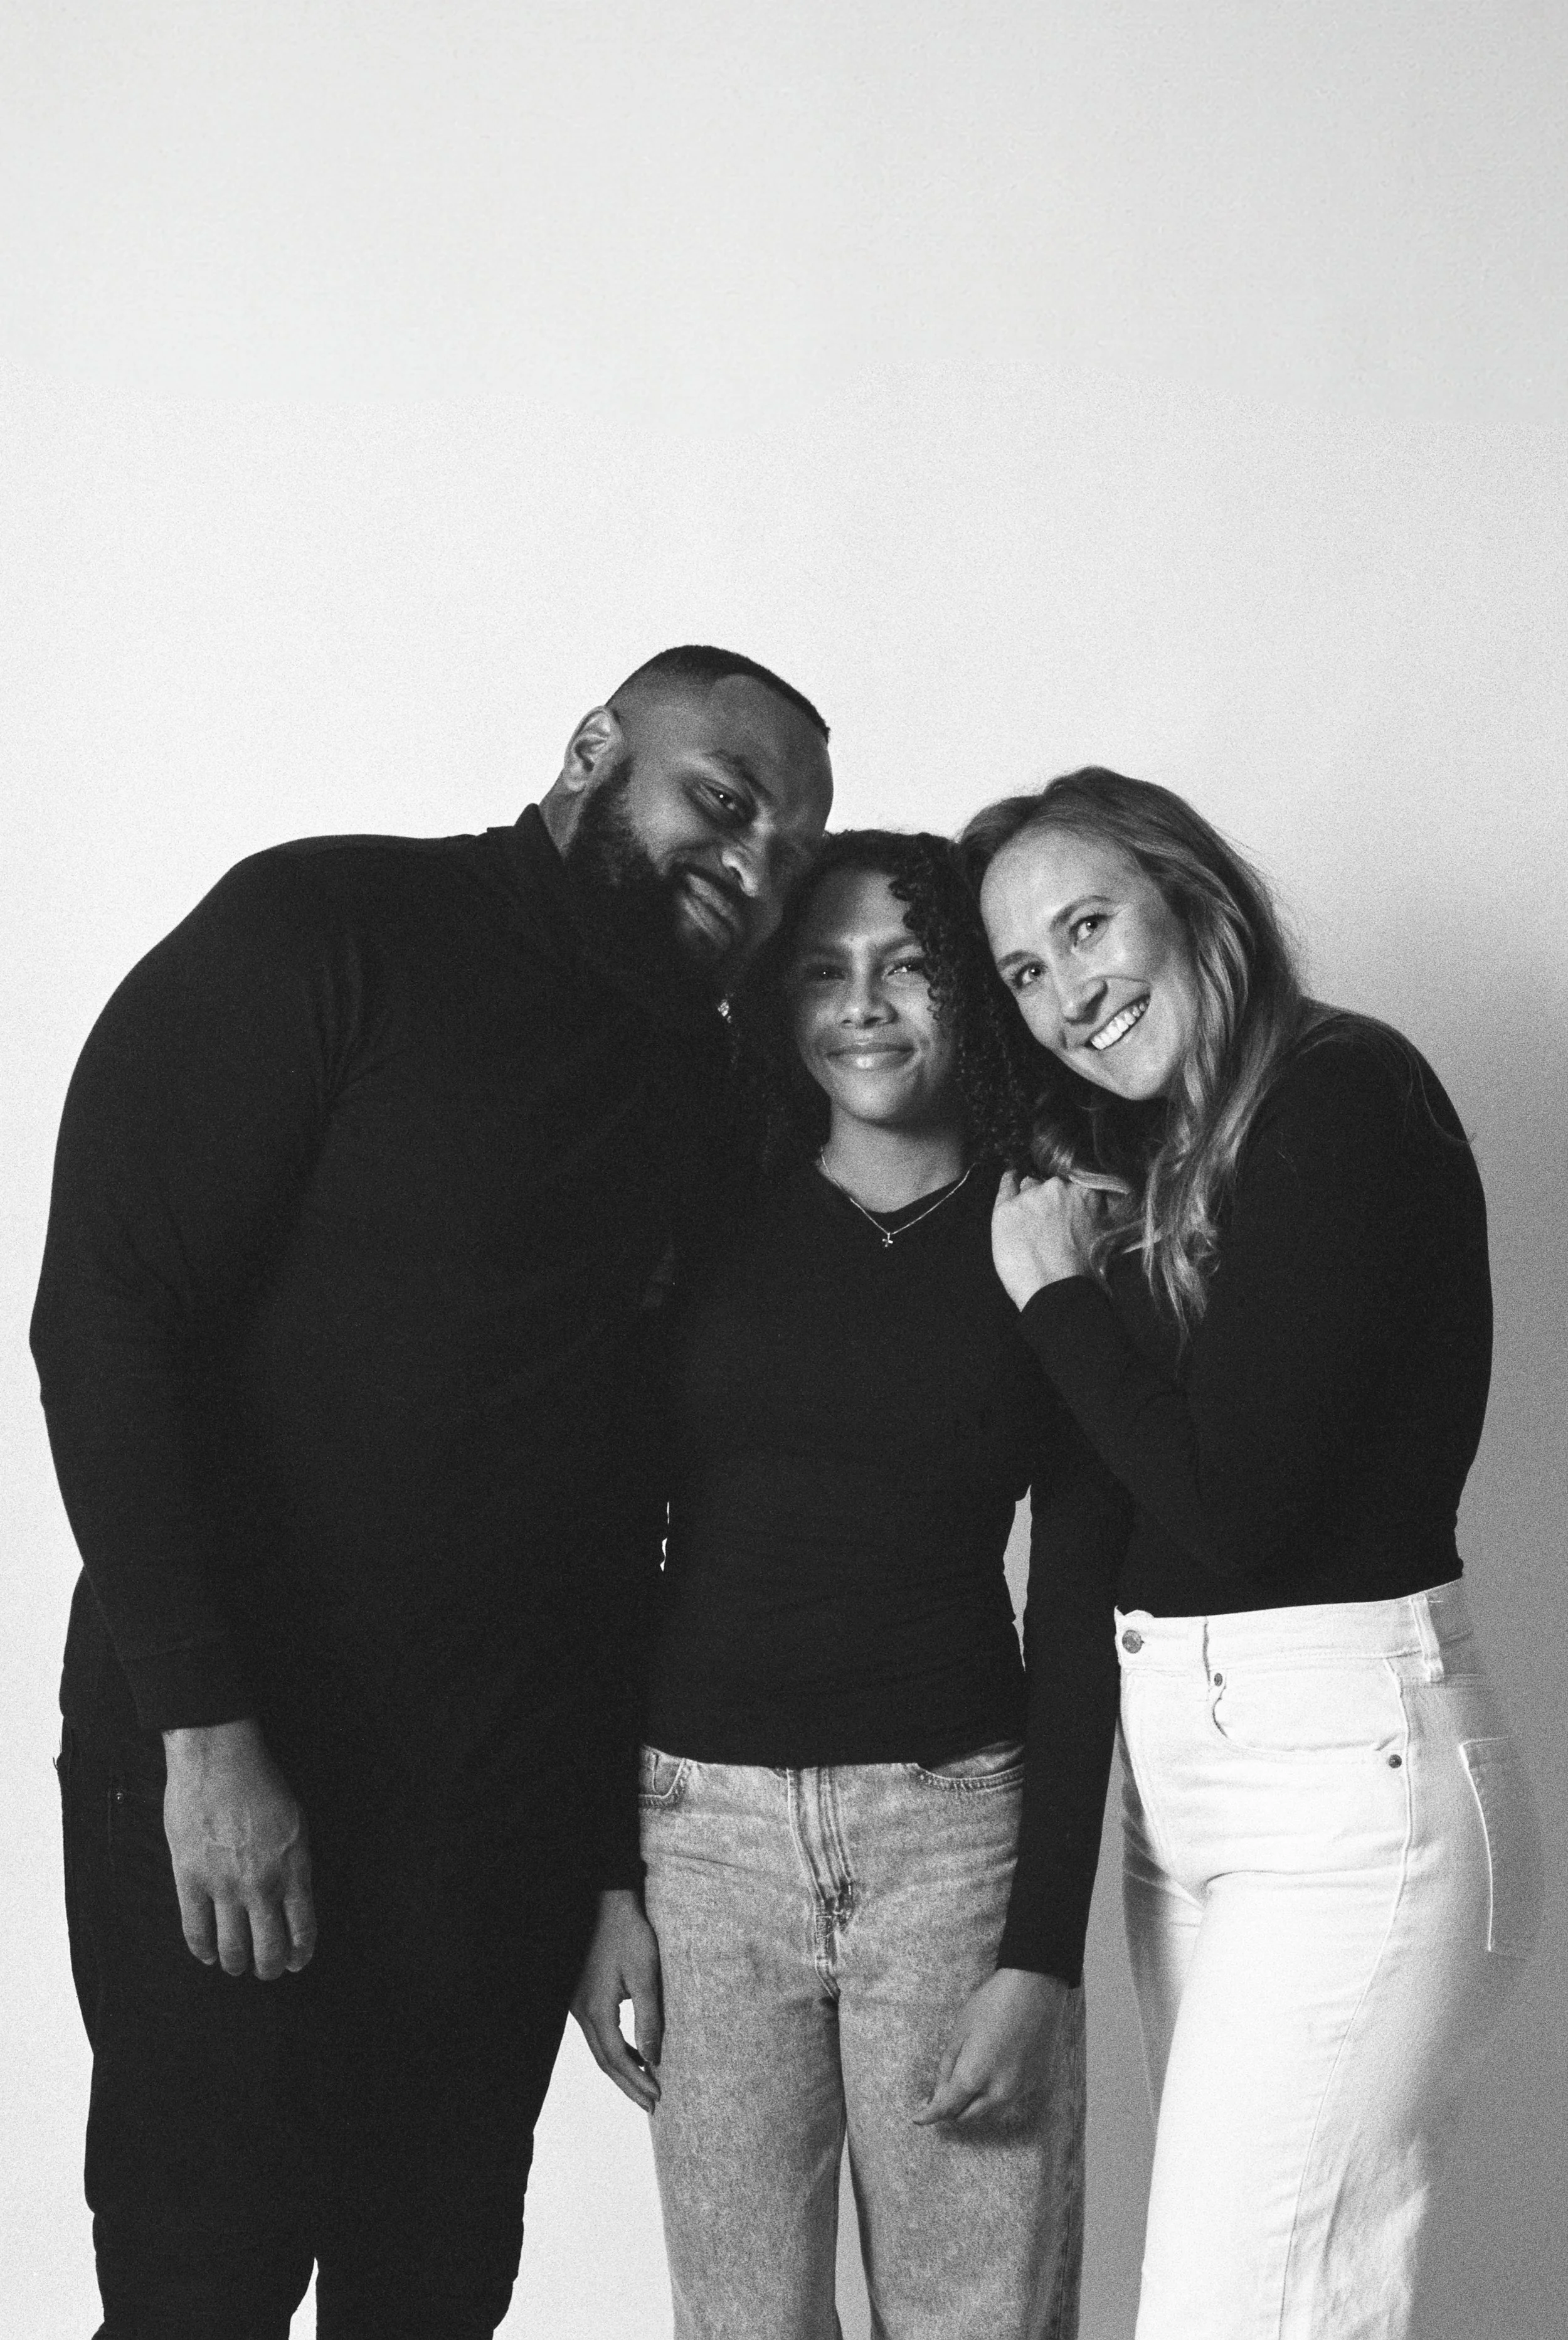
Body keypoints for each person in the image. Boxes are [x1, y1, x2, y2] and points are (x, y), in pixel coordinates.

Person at [31, 644, 834, 2340]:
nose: (755, 865)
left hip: (502, 1820)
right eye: (724, 799)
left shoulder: (695, 1089)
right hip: (232, 1774)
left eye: (787, 848)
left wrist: (609, 1862)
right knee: (201, 2285)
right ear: (591, 749)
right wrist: (205, 1735)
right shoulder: (325, 931)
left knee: (435, 2294)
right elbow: (104, 1318)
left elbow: (636, 1494)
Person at [965, 767, 1545, 2340]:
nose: (1068, 993)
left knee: (1241, 2312)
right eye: (1024, 970)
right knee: (1268, 2306)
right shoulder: (1153, 1164)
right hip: (1199, 1782)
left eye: (1086, 926)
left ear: (1191, 895)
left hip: (1348, 1784)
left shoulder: (1340, 1096)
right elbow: (1107, 1526)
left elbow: (1235, 1509)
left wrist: (1054, 1298)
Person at [573, 831, 1130, 2340]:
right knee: (740, 2319)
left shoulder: (1050, 1236)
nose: (864, 1004)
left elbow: (1080, 1609)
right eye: (822, 969)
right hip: (702, 1841)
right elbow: (611, 1545)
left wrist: (1040, 1956)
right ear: (776, 1002)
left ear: (968, 988)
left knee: (976, 2318)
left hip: (953, 1834)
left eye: (907, 965)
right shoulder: (706, 1218)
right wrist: (603, 1877)